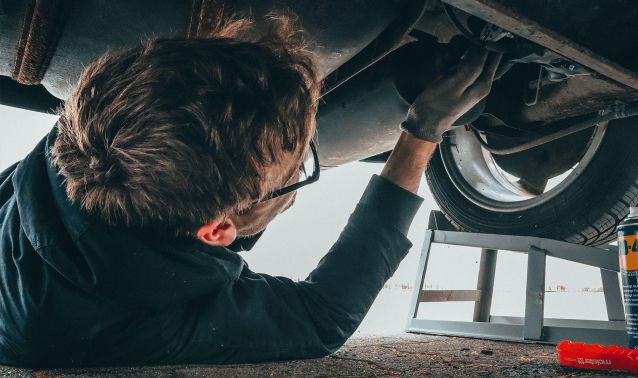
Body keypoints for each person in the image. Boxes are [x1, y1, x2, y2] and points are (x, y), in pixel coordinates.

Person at [0, 18, 500, 367]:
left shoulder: (95, 132)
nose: (296, 180)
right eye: (295, 170)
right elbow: (323, 317)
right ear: (217, 230)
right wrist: (421, 133)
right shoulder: (129, 323)